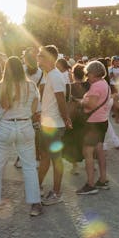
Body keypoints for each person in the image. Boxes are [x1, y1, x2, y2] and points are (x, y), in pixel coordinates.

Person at [0, 56, 42, 217]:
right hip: (25, 125)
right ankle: (35, 204)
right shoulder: (31, 85)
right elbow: (36, 109)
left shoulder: (0, 86)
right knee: (29, 167)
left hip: (6, 126)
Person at [37, 45, 71, 205]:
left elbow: (60, 99)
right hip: (47, 124)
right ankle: (36, 187)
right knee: (44, 157)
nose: (38, 58)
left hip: (55, 125)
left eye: (41, 55)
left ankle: (57, 193)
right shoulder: (49, 75)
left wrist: (66, 119)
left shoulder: (55, 76)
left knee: (56, 160)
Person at [76, 60, 111, 194]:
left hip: (93, 123)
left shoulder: (96, 86)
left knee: (88, 153)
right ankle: (103, 179)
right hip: (102, 121)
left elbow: (91, 105)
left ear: (93, 73)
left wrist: (80, 102)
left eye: (88, 74)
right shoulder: (104, 83)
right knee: (100, 150)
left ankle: (90, 184)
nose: (87, 76)